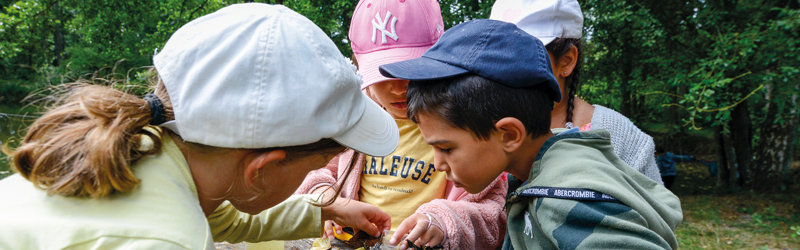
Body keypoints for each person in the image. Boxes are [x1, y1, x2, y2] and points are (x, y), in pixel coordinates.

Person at [0, 4, 399, 249]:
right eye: (318, 163)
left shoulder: (142, 148)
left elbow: (232, 216)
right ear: (260, 168)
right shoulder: (170, 240)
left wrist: (330, 207)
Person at [380, 19, 683, 250]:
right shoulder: (539, 172)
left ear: (510, 134)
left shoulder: (566, 200)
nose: (438, 164)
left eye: (446, 148)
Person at [295, 0, 507, 249]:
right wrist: (327, 200)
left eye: (409, 69)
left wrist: (443, 220)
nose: (397, 86)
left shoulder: (466, 128)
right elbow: (314, 171)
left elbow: (494, 214)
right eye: (382, 73)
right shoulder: (351, 123)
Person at [490, 0, 664, 185]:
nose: (506, 69)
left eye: (522, 55)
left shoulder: (620, 140)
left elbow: (659, 211)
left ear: (566, 60)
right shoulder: (475, 124)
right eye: (498, 56)